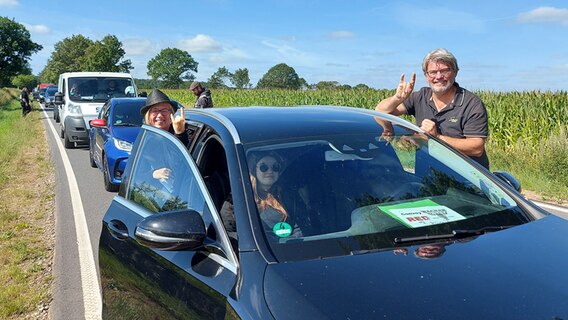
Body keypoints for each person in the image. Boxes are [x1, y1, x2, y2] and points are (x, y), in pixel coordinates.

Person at [375, 48, 490, 169]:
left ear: (455, 72)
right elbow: (381, 112)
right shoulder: (421, 96)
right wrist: (397, 99)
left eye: (445, 71)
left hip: (466, 176)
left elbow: (476, 148)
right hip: (431, 174)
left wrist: (436, 138)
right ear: (426, 76)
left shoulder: (471, 104)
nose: (439, 76)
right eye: (433, 72)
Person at [140, 88, 194, 182]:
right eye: (155, 111)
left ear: (171, 114)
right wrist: (153, 174)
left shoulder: (186, 133)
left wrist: (180, 133)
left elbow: (178, 165)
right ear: (148, 116)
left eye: (164, 110)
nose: (160, 115)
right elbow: (137, 176)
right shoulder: (145, 139)